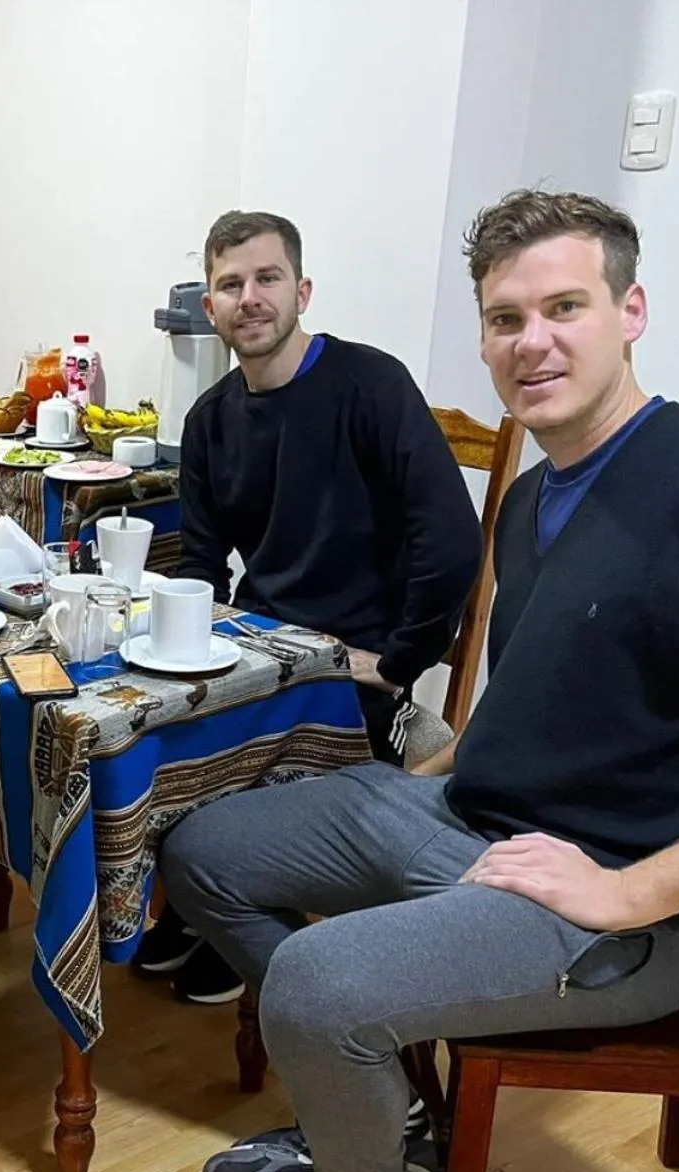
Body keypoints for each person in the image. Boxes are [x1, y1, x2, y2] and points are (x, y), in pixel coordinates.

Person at [159, 189, 679, 1172]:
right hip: (481, 825)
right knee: (201, 848)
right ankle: (385, 1107)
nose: (533, 341)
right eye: (506, 318)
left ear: (631, 310)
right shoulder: (532, 496)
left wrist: (628, 892)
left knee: (313, 983)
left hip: (626, 909)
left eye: (565, 306)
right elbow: (537, 678)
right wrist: (440, 767)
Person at [144, 209, 484, 1003]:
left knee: (223, 757)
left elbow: (453, 541)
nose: (249, 298)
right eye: (230, 284)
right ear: (210, 306)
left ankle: (242, 915)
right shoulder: (211, 419)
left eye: (266, 279)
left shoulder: (370, 383)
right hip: (260, 653)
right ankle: (206, 905)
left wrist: (400, 661)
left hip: (350, 671)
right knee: (140, 739)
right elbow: (199, 563)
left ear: (302, 290)